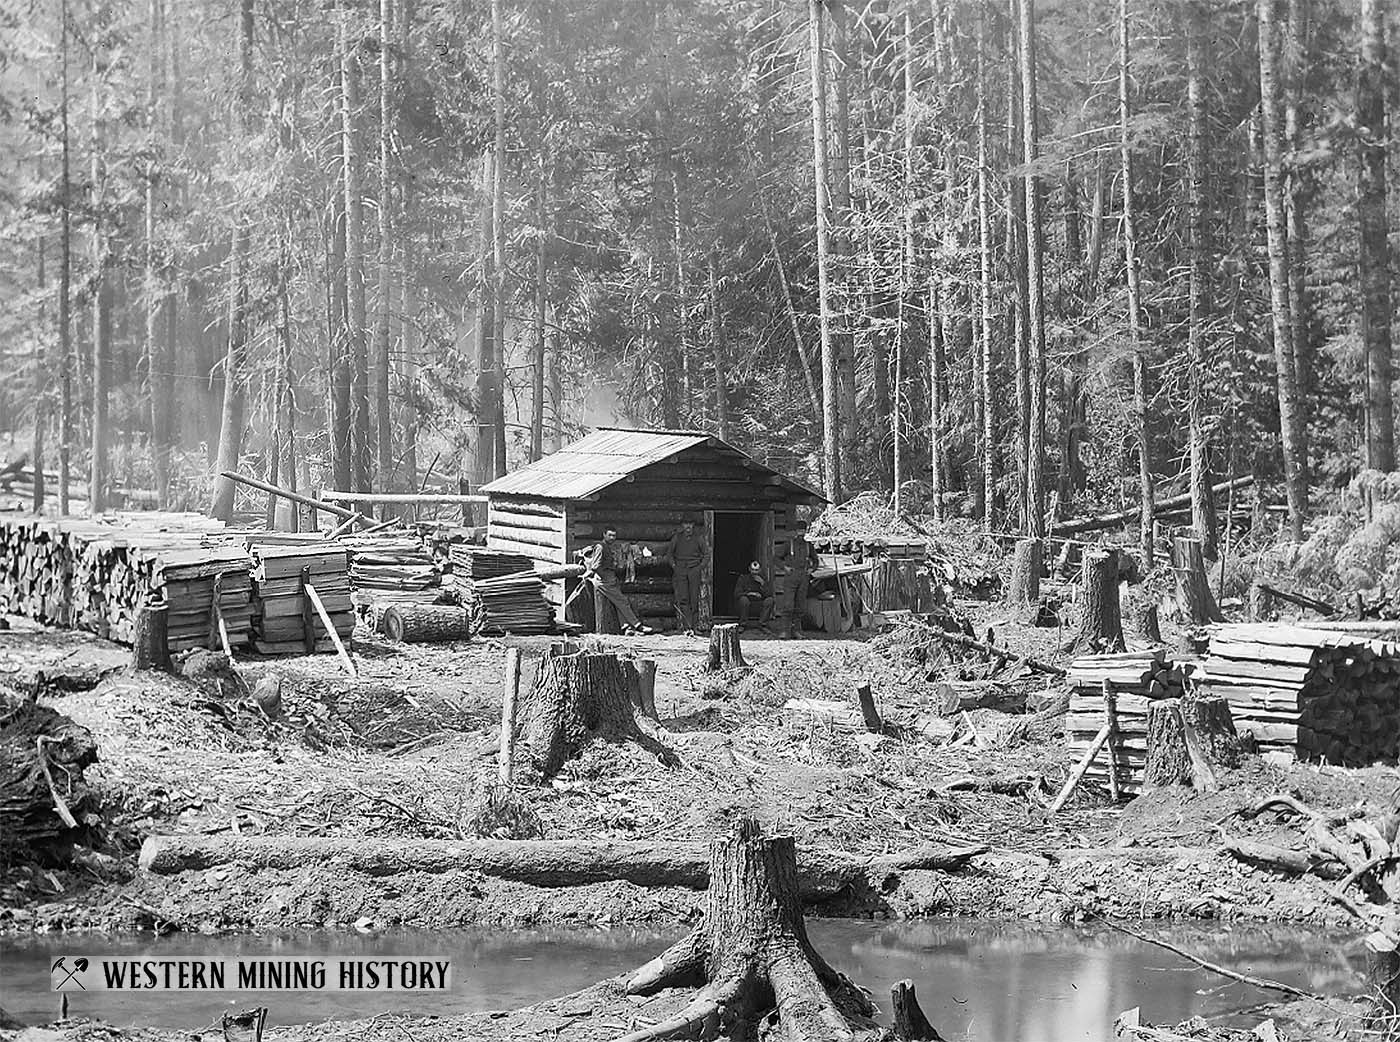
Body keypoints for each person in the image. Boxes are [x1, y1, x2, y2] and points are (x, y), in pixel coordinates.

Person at [580, 528, 653, 635]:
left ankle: (626, 627)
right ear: (604, 535)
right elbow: (595, 566)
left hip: (609, 579)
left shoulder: (607, 547)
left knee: (618, 602)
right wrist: (604, 577)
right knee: (623, 601)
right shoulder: (601, 547)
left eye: (614, 536)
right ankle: (638, 625)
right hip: (604, 581)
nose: (612, 538)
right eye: (609, 535)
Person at [663, 519, 708, 636]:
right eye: (686, 524)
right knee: (683, 599)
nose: (688, 526)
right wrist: (675, 567)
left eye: (690, 524)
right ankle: (687, 628)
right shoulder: (677, 538)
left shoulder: (698, 538)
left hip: (694, 570)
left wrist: (699, 567)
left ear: (693, 525)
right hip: (681, 570)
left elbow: (706, 555)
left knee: (694, 599)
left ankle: (695, 627)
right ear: (682, 525)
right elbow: (670, 555)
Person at [733, 561, 773, 630]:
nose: (754, 572)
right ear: (749, 569)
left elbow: (769, 594)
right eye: (753, 570)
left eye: (756, 570)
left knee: (770, 600)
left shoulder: (763, 579)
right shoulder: (743, 579)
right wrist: (750, 594)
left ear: (760, 570)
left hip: (759, 605)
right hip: (745, 606)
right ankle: (743, 624)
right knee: (743, 600)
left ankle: (762, 624)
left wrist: (762, 584)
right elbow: (737, 593)